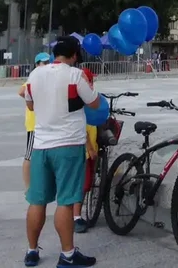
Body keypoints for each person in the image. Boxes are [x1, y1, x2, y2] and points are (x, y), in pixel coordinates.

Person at [23, 36, 100, 267]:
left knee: (37, 201)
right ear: (75, 55)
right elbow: (94, 103)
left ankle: (31, 251)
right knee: (65, 202)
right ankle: (67, 255)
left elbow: (29, 104)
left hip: (41, 146)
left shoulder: (35, 74)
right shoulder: (75, 75)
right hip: (68, 146)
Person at [71, 68, 99, 235]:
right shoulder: (82, 99)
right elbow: (83, 127)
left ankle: (74, 215)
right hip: (84, 150)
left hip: (87, 149)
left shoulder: (87, 97)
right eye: (90, 80)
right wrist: (89, 147)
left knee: (82, 184)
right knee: (82, 185)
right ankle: (76, 217)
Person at [19, 53, 51, 192]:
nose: (46, 64)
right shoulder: (34, 77)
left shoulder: (45, 78)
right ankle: (28, 187)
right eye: (43, 62)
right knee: (30, 155)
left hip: (44, 122)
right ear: (37, 64)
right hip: (34, 124)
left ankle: (40, 183)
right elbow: (21, 91)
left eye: (48, 62)